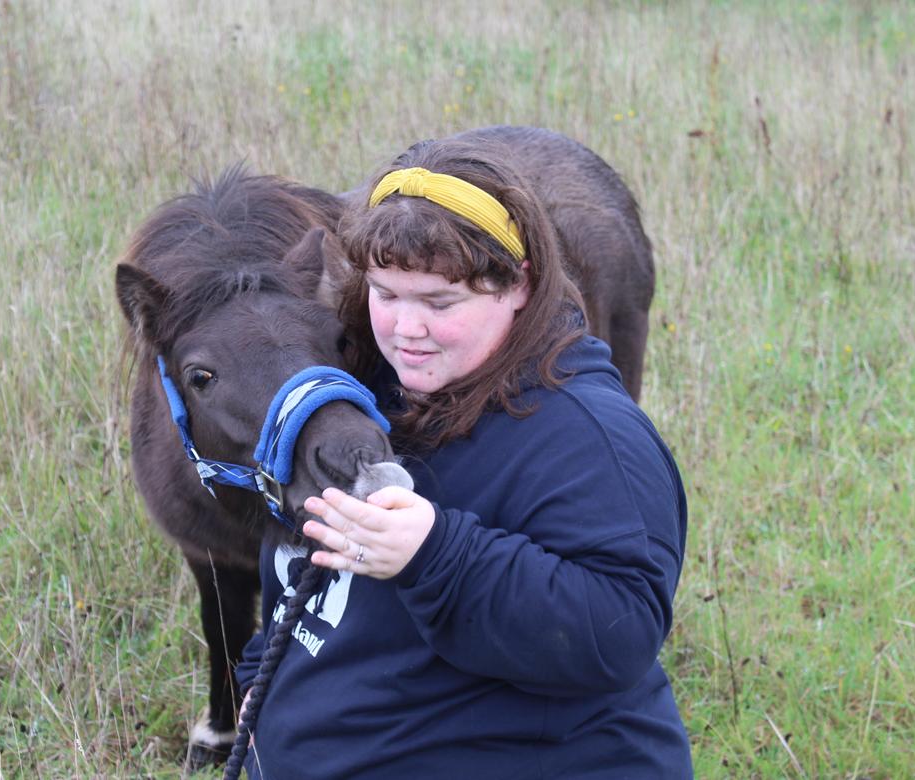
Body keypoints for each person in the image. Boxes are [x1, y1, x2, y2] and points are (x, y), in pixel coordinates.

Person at [234, 135, 692, 779]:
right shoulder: (365, 391)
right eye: (386, 294)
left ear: (519, 286)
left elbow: (618, 633)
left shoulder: (591, 437)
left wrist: (433, 556)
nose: (405, 327)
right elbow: (300, 577)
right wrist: (263, 679)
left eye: (440, 302)